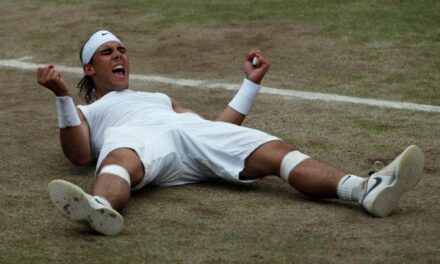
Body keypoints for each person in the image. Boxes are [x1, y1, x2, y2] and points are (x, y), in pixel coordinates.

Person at [37, 30, 425, 236]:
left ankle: (362, 189)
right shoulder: (87, 110)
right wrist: (61, 97)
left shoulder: (160, 96)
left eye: (121, 49)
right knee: (119, 161)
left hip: (190, 134)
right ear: (89, 69)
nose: (119, 55)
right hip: (136, 141)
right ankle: (101, 207)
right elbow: (78, 153)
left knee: (277, 150)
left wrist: (249, 85)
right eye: (107, 52)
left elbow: (215, 131)